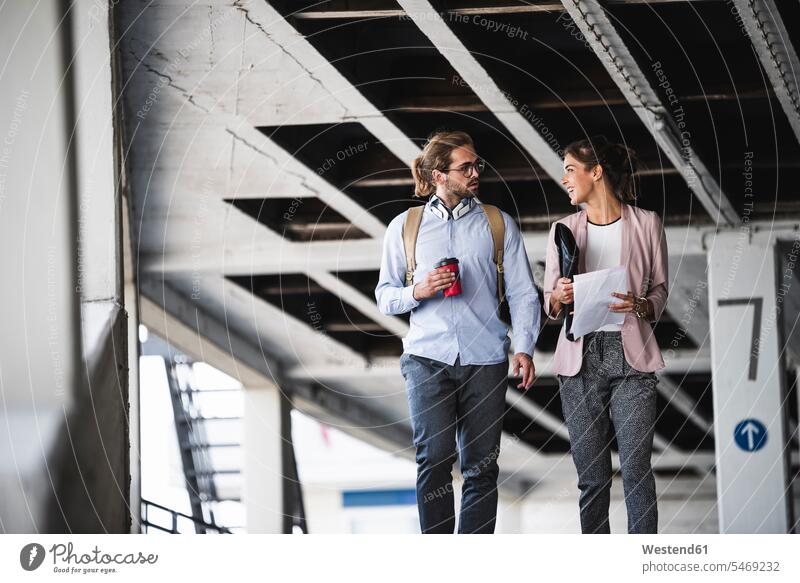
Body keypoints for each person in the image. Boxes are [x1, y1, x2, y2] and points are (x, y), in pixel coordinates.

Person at [375, 130, 540, 534]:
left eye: (476, 164)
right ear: (438, 175)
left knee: (482, 466)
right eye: (465, 166)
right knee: (433, 460)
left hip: (485, 359)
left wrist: (524, 348)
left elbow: (523, 294)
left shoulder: (497, 224)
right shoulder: (405, 227)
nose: (475, 172)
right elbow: (385, 296)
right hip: (426, 359)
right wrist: (420, 289)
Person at [543, 135, 669, 534]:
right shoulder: (562, 228)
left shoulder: (647, 223)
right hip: (579, 358)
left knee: (636, 470)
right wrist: (559, 295)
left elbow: (660, 291)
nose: (564, 179)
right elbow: (550, 302)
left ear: (595, 172)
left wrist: (639, 304)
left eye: (569, 169)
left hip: (631, 355)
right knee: (593, 478)